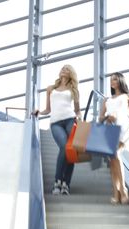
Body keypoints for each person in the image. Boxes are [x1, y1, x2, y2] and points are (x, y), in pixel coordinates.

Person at [98, 72, 129, 204]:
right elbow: (100, 118)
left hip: (123, 128)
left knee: (117, 155)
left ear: (120, 80)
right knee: (112, 160)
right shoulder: (106, 100)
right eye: (111, 80)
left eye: (114, 79)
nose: (112, 82)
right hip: (109, 129)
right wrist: (108, 117)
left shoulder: (128, 97)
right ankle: (116, 191)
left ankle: (123, 189)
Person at [34, 64, 82, 195]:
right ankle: (57, 181)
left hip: (70, 120)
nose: (64, 70)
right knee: (64, 146)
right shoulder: (51, 89)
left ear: (70, 73)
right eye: (62, 68)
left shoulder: (74, 90)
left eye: (67, 69)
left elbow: (77, 110)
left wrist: (79, 117)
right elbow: (48, 109)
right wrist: (40, 112)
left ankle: (66, 184)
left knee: (70, 150)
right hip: (55, 122)